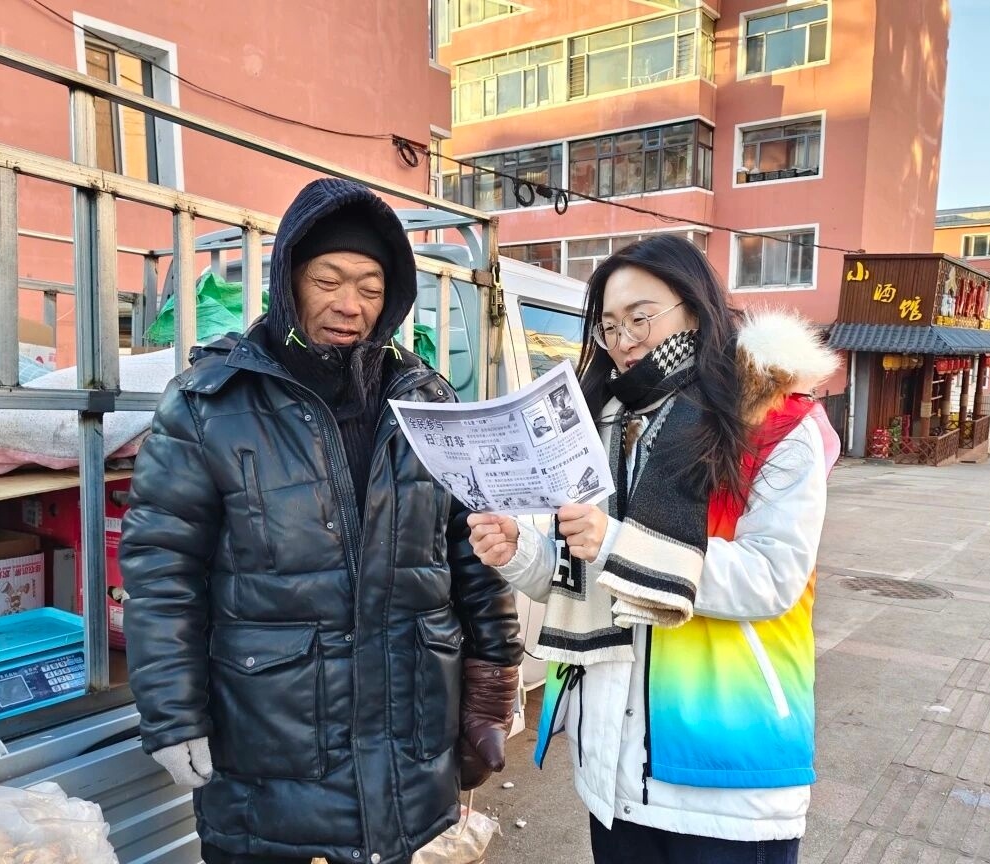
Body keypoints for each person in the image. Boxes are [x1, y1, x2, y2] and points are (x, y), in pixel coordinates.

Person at [120, 178, 523, 864]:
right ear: (288, 282)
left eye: (370, 287)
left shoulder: (427, 401)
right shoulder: (207, 404)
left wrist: (492, 684)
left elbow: (473, 555)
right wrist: (173, 714)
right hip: (269, 743)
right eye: (328, 280)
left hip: (404, 740)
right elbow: (162, 572)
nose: (349, 304)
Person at [468, 234, 840, 864]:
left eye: (641, 318)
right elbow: (584, 572)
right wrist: (520, 552)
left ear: (694, 308)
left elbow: (772, 577)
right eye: (610, 325)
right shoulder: (605, 423)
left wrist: (617, 544)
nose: (625, 340)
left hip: (725, 771)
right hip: (615, 773)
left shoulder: (775, 425)